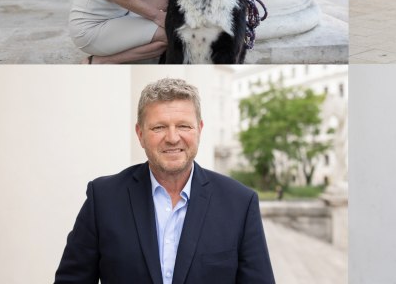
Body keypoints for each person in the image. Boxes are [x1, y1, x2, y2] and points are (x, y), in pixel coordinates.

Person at [54, 78, 275, 284]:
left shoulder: (240, 202)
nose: (172, 138)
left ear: (200, 130)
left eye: (183, 126)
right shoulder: (103, 198)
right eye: (159, 127)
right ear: (140, 134)